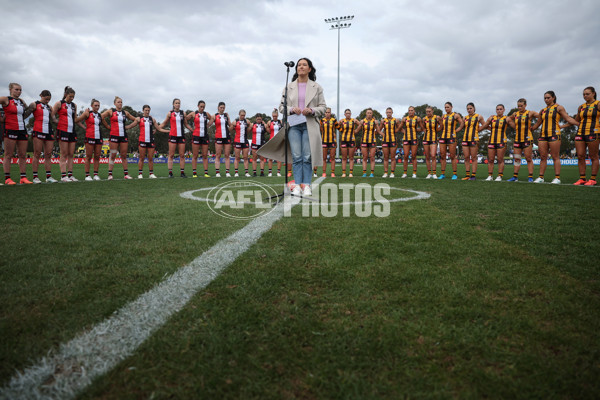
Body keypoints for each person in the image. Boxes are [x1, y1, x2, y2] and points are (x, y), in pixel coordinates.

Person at [257, 57, 327, 196]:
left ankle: (306, 185)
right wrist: (291, 109)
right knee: (296, 156)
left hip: (309, 125)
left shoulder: (317, 87)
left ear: (309, 69)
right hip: (294, 125)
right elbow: (281, 107)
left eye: (304, 65)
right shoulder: (288, 87)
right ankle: (297, 186)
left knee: (307, 156)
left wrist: (312, 110)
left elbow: (323, 107)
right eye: (299, 65)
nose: (301, 67)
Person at [530, 91, 579, 184]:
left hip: (554, 134)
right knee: (543, 157)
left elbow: (568, 118)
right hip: (543, 135)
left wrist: (579, 124)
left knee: (555, 156)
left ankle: (557, 178)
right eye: (545, 98)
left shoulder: (559, 108)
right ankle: (541, 177)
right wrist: (531, 128)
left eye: (548, 97)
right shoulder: (542, 110)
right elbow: (538, 123)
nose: (546, 99)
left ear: (553, 98)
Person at [1, 82, 32, 184]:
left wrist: (31, 108)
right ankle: (7, 178)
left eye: (20, 90)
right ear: (10, 89)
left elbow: (27, 112)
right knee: (8, 154)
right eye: (16, 89)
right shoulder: (6, 99)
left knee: (22, 154)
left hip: (22, 130)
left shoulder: (21, 101)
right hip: (10, 129)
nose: (19, 92)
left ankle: (23, 177)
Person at [127, 104, 168, 179]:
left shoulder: (152, 119)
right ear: (143, 110)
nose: (147, 112)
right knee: (141, 158)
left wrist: (169, 131)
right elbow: (132, 125)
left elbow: (159, 129)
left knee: (150, 158)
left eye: (148, 110)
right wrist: (125, 127)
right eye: (146, 110)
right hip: (142, 140)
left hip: (151, 141)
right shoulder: (139, 119)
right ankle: (140, 174)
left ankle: (151, 174)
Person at [102, 96, 137, 180]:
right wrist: (107, 126)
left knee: (124, 155)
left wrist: (129, 126)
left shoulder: (125, 113)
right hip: (114, 136)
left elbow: (136, 120)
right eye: (118, 102)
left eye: (121, 102)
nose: (120, 103)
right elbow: (101, 116)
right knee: (113, 155)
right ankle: (110, 174)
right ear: (114, 103)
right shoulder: (111, 111)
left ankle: (126, 174)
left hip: (123, 136)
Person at [570, 87, 599, 186]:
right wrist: (563, 124)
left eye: (587, 94)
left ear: (593, 94)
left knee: (593, 156)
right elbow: (576, 120)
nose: (585, 96)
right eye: (584, 94)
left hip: (593, 133)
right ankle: (582, 178)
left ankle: (593, 179)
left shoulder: (598, 104)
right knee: (580, 156)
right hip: (580, 133)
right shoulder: (581, 107)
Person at [28, 90, 58, 183]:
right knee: (37, 153)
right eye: (46, 99)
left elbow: (53, 119)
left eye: (49, 99)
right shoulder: (34, 104)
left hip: (48, 131)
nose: (47, 101)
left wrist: (64, 122)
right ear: (41, 95)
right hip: (38, 130)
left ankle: (48, 177)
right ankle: (35, 177)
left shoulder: (49, 107)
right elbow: (25, 114)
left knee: (48, 154)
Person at [76, 99, 109, 181]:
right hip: (89, 137)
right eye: (95, 105)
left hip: (98, 138)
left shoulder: (100, 116)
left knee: (97, 156)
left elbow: (107, 126)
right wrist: (84, 127)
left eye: (98, 105)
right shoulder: (87, 113)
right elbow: (76, 120)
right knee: (88, 156)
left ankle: (95, 174)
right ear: (91, 106)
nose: (97, 107)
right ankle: (87, 175)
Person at [507, 98, 539, 182]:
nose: (519, 107)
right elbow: (508, 119)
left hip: (527, 139)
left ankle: (530, 177)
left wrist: (534, 127)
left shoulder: (530, 113)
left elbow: (542, 117)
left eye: (521, 106)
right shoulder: (515, 114)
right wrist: (514, 126)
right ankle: (515, 177)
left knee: (528, 158)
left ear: (525, 105)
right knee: (517, 158)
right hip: (517, 139)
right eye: (518, 106)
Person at [160, 98, 192, 178]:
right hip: (173, 136)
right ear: (173, 104)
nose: (178, 104)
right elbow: (164, 123)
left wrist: (192, 130)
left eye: (179, 103)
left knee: (182, 155)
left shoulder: (183, 113)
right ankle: (170, 173)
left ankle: (182, 173)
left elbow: (186, 124)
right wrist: (156, 128)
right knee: (171, 155)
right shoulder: (170, 113)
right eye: (176, 103)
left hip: (181, 136)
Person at [52, 86, 79, 182]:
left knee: (71, 154)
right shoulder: (59, 103)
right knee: (64, 154)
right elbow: (52, 114)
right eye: (70, 96)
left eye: (73, 97)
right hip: (62, 130)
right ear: (65, 95)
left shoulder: (74, 105)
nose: (72, 98)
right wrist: (56, 121)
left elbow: (75, 118)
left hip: (72, 131)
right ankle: (63, 176)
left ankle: (70, 175)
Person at [480, 104, 509, 181]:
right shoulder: (492, 118)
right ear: (496, 110)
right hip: (491, 141)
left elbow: (514, 126)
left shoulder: (506, 118)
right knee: (490, 159)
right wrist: (477, 130)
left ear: (504, 110)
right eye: (498, 109)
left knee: (500, 159)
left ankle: (499, 176)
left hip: (501, 141)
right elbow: (485, 125)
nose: (499, 110)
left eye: (501, 109)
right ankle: (490, 175)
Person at [185, 100, 213, 178]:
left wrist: (208, 125)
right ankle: (194, 173)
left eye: (203, 107)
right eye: (201, 106)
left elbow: (212, 119)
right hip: (196, 135)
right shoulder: (193, 113)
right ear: (198, 106)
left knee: (205, 155)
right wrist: (190, 128)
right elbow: (185, 119)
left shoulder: (206, 114)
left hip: (204, 136)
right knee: (195, 155)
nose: (202, 108)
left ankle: (206, 173)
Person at [438, 102, 464, 179]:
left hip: (452, 138)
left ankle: (454, 174)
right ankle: (442, 174)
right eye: (445, 107)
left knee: (452, 156)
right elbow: (441, 126)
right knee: (442, 156)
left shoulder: (455, 115)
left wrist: (457, 130)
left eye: (448, 107)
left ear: (452, 107)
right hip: (443, 137)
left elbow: (462, 124)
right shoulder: (443, 116)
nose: (446, 109)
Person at [461, 102, 484, 180]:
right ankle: (467, 175)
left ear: (474, 108)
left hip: (474, 139)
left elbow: (484, 125)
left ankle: (473, 175)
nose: (469, 110)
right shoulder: (465, 118)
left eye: (470, 108)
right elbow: (461, 127)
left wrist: (477, 130)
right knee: (466, 157)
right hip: (465, 139)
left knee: (474, 158)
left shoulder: (479, 116)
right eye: (467, 108)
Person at [399, 106, 422, 178]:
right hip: (406, 139)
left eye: (412, 110)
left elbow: (422, 128)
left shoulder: (417, 119)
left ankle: (414, 173)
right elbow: (400, 128)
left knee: (413, 156)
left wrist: (415, 130)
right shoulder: (405, 119)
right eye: (409, 110)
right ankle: (405, 173)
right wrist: (405, 132)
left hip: (414, 139)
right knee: (405, 156)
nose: (410, 112)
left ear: (414, 111)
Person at [337, 109, 360, 178]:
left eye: (349, 113)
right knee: (344, 157)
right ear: (344, 114)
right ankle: (344, 173)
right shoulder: (342, 121)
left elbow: (361, 125)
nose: (348, 114)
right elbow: (336, 126)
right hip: (344, 140)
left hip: (352, 140)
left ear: (351, 114)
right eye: (346, 113)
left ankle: (351, 173)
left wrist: (356, 131)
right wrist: (341, 130)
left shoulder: (354, 120)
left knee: (351, 157)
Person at [358, 108, 380, 178]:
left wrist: (377, 125)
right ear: (366, 114)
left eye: (370, 113)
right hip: (364, 141)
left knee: (372, 157)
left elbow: (378, 131)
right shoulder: (362, 121)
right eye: (368, 113)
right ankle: (364, 173)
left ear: (372, 114)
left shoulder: (375, 122)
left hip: (372, 141)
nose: (369, 114)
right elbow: (357, 130)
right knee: (364, 157)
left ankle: (372, 173)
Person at [213, 101, 232, 177]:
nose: (222, 109)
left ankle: (227, 172)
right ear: (218, 107)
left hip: (227, 137)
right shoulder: (214, 116)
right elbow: (209, 123)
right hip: (218, 137)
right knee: (218, 155)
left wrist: (229, 118)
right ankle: (217, 172)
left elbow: (230, 125)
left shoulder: (226, 116)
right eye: (221, 107)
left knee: (227, 155)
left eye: (223, 108)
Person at [422, 106, 441, 179]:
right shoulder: (424, 119)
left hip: (433, 138)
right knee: (427, 156)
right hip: (426, 139)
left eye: (429, 111)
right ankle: (429, 173)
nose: (428, 113)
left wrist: (435, 131)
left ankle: (434, 173)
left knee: (433, 155)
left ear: (432, 111)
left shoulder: (437, 118)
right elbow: (423, 128)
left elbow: (441, 126)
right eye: (427, 111)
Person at [380, 107, 399, 178]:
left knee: (393, 157)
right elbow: (379, 130)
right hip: (385, 141)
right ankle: (385, 173)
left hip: (393, 140)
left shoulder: (395, 120)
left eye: (390, 112)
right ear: (385, 113)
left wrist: (394, 132)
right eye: (387, 112)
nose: (388, 113)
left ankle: (392, 173)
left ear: (392, 113)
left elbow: (399, 128)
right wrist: (383, 135)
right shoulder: (383, 121)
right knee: (385, 157)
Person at [232, 109, 251, 177]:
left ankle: (246, 172)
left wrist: (248, 130)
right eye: (241, 115)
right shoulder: (235, 122)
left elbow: (250, 125)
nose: (243, 116)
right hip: (237, 141)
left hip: (245, 141)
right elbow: (231, 127)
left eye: (244, 115)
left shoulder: (247, 121)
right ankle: (236, 172)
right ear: (239, 115)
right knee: (237, 157)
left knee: (245, 157)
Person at [320, 107, 337, 177]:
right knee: (324, 158)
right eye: (326, 112)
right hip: (324, 141)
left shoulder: (334, 120)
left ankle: (332, 172)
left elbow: (337, 129)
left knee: (332, 157)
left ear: (330, 113)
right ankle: (324, 172)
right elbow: (321, 129)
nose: (327, 113)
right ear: (324, 113)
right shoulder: (322, 120)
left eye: (328, 112)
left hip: (332, 141)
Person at [267, 108, 283, 176]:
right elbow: (268, 130)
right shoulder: (269, 122)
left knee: (279, 158)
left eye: (275, 116)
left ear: (278, 115)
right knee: (270, 157)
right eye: (273, 116)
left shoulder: (280, 122)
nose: (274, 117)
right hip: (271, 141)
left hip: (279, 141)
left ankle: (278, 172)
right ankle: (270, 172)